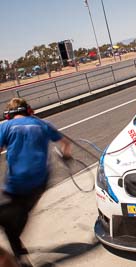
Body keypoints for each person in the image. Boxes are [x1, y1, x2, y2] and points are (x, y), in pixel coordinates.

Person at [0, 98, 71, 264]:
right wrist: (65, 157)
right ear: (29, 111)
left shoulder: (5, 127)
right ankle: (18, 249)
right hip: (39, 183)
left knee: (9, 221)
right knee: (21, 214)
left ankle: (18, 256)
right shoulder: (43, 124)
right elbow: (66, 145)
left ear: (9, 115)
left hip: (15, 184)